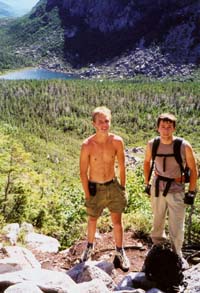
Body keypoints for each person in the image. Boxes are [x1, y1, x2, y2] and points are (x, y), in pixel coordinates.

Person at [79, 106, 130, 271]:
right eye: (100, 121)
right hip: (95, 188)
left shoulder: (116, 141)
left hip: (112, 185)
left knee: (117, 222)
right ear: (93, 123)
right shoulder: (87, 145)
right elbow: (82, 172)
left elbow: (122, 166)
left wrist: (122, 187)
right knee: (92, 219)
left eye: (106, 121)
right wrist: (88, 194)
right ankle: (89, 247)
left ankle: (120, 251)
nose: (104, 124)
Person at [143, 113, 198, 263]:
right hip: (157, 186)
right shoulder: (152, 144)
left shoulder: (183, 145)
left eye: (169, 127)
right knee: (157, 220)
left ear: (174, 128)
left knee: (177, 224)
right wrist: (147, 183)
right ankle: (158, 247)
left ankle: (176, 254)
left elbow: (193, 169)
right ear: (157, 128)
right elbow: (147, 162)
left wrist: (191, 191)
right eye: (163, 127)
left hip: (177, 188)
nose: (166, 130)